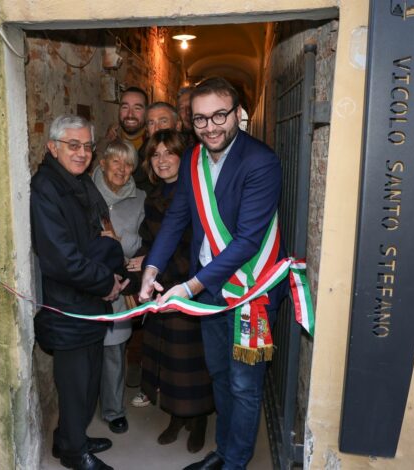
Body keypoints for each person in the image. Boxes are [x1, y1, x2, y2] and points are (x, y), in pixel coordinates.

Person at [139, 78, 286, 470]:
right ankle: (223, 452)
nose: (210, 127)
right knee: (219, 374)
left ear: (238, 113)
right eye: (200, 118)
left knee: (244, 384)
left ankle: (236, 461)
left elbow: (247, 241)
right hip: (208, 290)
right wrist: (151, 268)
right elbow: (176, 218)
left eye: (220, 115)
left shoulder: (260, 161)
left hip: (251, 290)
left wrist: (188, 287)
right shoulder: (192, 158)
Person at [31, 114, 128, 470]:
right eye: (73, 145)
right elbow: (61, 259)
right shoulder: (47, 188)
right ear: (52, 147)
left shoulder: (77, 183)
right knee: (75, 385)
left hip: (88, 300)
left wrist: (108, 270)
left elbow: (93, 239)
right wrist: (107, 282)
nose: (82, 153)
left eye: (87, 146)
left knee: (87, 381)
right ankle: (74, 453)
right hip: (68, 305)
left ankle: (69, 439)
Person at [127, 130, 214, 453]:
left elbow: (197, 244)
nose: (161, 160)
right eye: (155, 154)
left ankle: (199, 418)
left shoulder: (196, 193)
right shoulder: (153, 194)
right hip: (160, 285)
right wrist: (145, 261)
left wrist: (163, 271)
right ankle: (177, 416)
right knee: (167, 359)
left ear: (183, 157)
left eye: (169, 153)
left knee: (190, 362)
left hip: (189, 286)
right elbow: (150, 240)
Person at [91, 140, 146, 435]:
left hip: (121, 280)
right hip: (86, 280)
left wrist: (123, 247)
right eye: (116, 161)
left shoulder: (141, 199)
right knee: (85, 349)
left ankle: (113, 410)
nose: (122, 169)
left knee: (114, 349)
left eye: (128, 164)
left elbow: (146, 243)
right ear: (103, 163)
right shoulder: (84, 193)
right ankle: (84, 405)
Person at [101, 87, 149, 187]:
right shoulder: (105, 146)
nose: (130, 114)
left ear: (147, 112)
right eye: (125, 107)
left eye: (137, 108)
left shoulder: (155, 147)